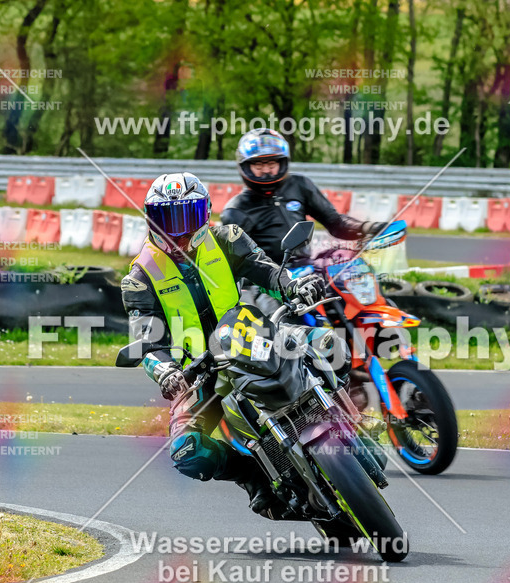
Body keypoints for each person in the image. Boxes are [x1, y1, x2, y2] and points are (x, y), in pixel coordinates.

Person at [120, 172, 325, 517]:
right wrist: (166, 371)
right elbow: (146, 338)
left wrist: (294, 287)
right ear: (151, 220)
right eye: (167, 218)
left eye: (187, 217)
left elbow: (268, 272)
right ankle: (253, 477)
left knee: (328, 345)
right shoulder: (139, 277)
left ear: (204, 213)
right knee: (186, 451)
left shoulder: (227, 238)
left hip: (250, 337)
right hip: (197, 372)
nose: (178, 229)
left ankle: (345, 419)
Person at [220, 128, 392, 265]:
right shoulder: (236, 210)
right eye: (258, 164)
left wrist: (366, 228)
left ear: (282, 162)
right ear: (246, 167)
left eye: (272, 163)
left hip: (307, 268)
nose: (266, 170)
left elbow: (335, 222)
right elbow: (239, 263)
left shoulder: (299, 185)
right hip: (268, 282)